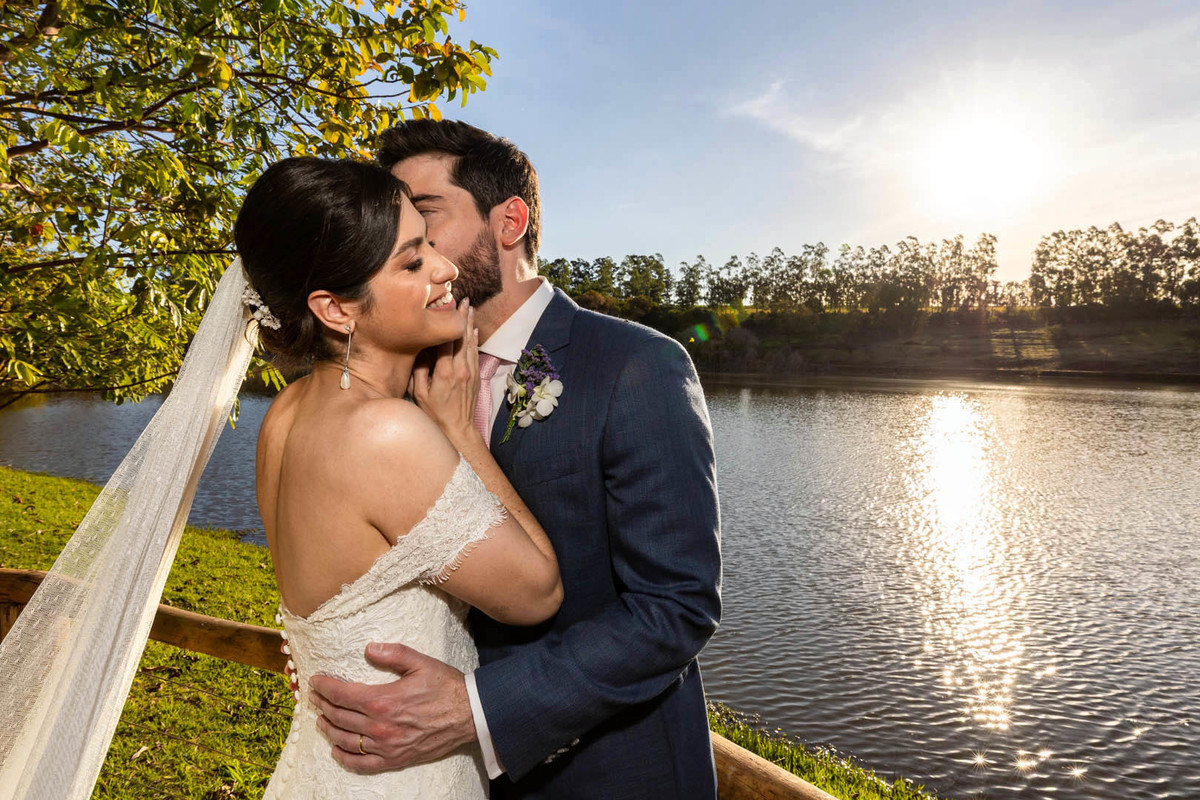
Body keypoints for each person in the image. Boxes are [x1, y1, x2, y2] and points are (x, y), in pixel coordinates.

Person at [306, 120, 723, 799]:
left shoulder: (635, 365)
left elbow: (675, 608)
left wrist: (475, 708)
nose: (401, 239)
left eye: (424, 213)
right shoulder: (397, 377)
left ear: (509, 222)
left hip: (609, 774)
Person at [236, 156, 564, 798]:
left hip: (326, 766)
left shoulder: (287, 411)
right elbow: (538, 593)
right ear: (335, 308)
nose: (444, 270)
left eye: (429, 244)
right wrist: (462, 433)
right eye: (412, 263)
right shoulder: (385, 433)